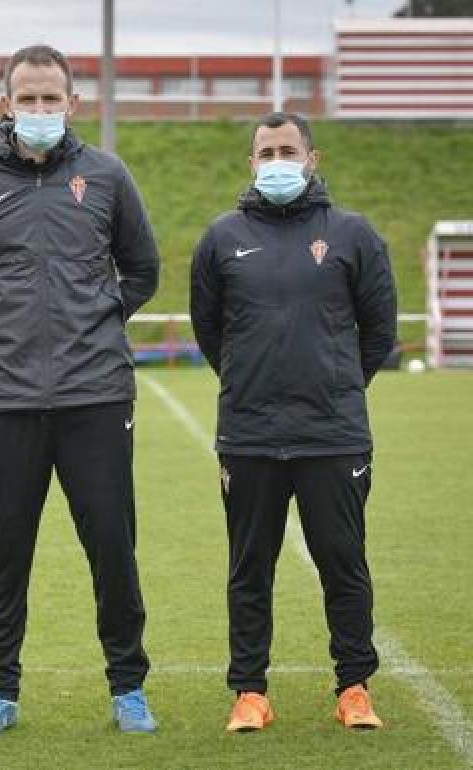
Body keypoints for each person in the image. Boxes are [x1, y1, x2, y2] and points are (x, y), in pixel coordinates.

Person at [0, 44, 160, 736]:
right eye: (26, 99)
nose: (38, 110)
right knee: (6, 551)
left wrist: (92, 320)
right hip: (0, 400)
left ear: (73, 102)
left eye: (49, 98)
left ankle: (128, 687)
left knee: (112, 547)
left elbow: (142, 269)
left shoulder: (107, 176)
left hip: (94, 395)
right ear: (5, 104)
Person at [190, 111, 397, 733]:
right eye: (265, 152)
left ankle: (354, 687)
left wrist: (334, 382)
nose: (276, 160)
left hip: (332, 434)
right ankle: (250, 693)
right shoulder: (222, 237)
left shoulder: (353, 234)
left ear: (312, 158)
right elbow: (210, 331)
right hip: (249, 434)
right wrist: (251, 381)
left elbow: (380, 331)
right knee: (249, 568)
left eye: (288, 149)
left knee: (343, 562)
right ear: (251, 163)